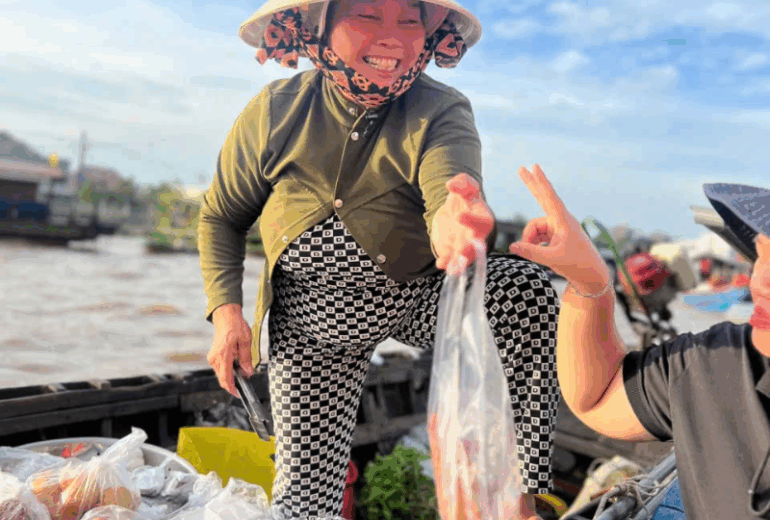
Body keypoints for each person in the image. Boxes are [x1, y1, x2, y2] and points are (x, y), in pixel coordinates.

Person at [197, 1, 560, 518]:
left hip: (415, 297)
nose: (394, 38)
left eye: (410, 22)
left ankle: (519, 500)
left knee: (522, 288)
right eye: (368, 16)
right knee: (304, 499)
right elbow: (220, 217)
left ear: (431, 38)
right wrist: (226, 314)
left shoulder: (442, 109)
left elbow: (449, 185)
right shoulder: (276, 110)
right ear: (316, 30)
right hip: (312, 326)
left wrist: (456, 220)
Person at [503, 164, 770, 519]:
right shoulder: (718, 361)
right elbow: (598, 398)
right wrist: (589, 285)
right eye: (762, 252)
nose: (760, 283)